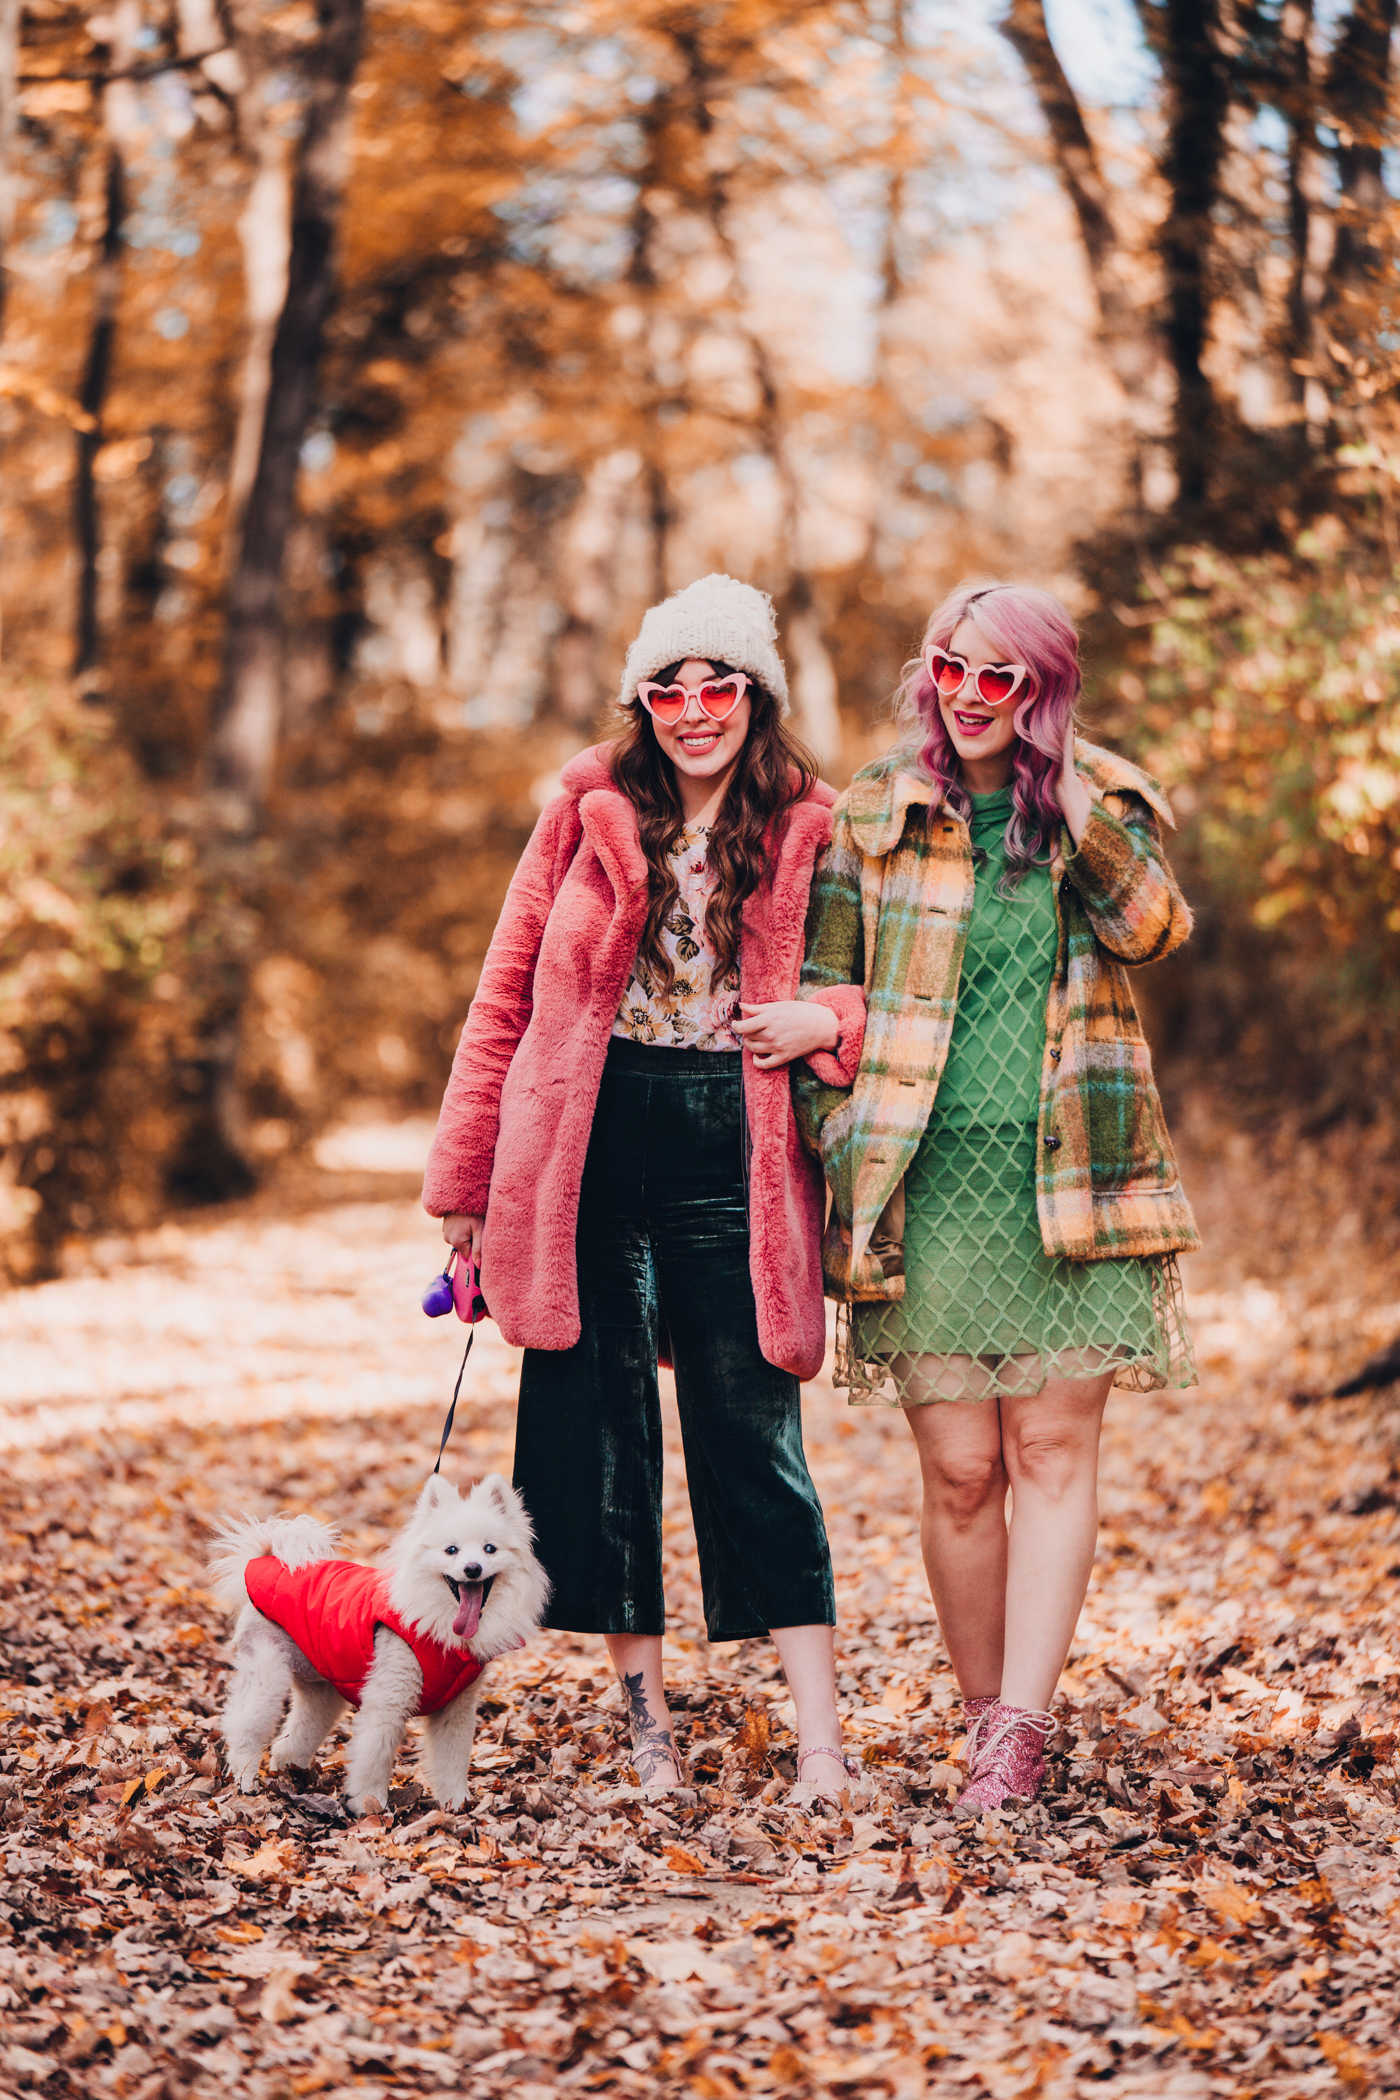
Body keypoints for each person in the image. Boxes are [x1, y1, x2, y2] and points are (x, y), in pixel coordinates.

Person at [423, 574, 866, 1801]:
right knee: (597, 1425)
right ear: (641, 704)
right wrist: (465, 1179)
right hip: (586, 1144)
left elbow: (885, 991)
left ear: (754, 695)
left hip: (737, 1138)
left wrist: (820, 1018)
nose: (691, 709)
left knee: (749, 1427)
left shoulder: (816, 825)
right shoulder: (585, 810)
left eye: (714, 684)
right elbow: (504, 991)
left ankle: (819, 1742)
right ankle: (646, 1724)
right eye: (665, 690)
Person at [795, 579, 1199, 1812]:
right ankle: (982, 1713)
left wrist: (1067, 790)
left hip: (1069, 1177)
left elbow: (1153, 930)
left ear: (1039, 691)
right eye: (950, 669)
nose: (968, 697)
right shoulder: (872, 813)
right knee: (963, 1469)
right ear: (929, 672)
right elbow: (824, 994)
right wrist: (841, 1129)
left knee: (1050, 1445)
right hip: (923, 1183)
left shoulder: (1097, 802)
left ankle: (1015, 1736)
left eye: (999, 678)